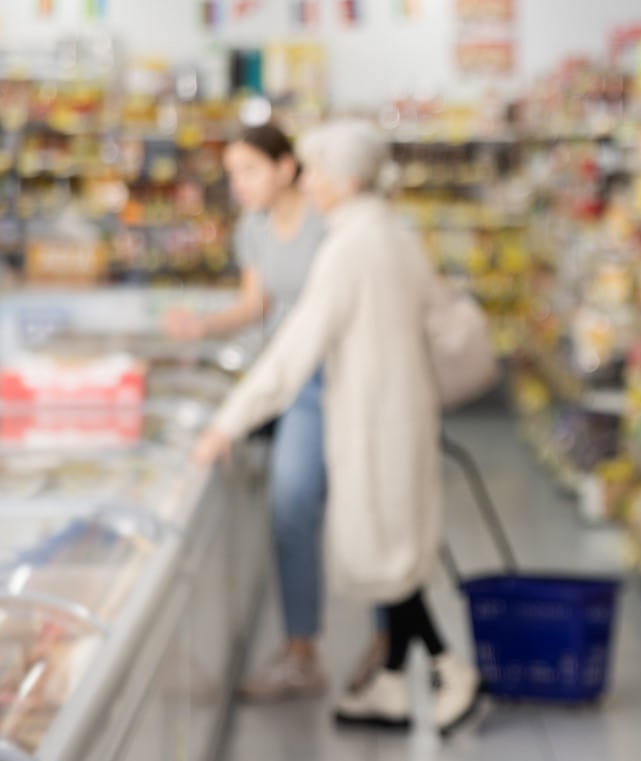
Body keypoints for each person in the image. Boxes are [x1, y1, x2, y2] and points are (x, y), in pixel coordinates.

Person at [191, 120, 480, 732]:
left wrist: (228, 423)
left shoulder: (350, 247)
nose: (310, 181)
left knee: (387, 554)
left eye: (318, 170)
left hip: (373, 419)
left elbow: (294, 349)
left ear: (347, 179)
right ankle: (396, 684)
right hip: (399, 411)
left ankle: (452, 670)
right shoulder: (390, 232)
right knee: (396, 548)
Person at [161, 124, 363, 702]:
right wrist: (201, 326)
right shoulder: (253, 229)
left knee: (363, 505)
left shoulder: (331, 223)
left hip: (346, 378)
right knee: (292, 507)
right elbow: (257, 305)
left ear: (287, 168)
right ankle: (302, 652)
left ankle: (389, 642)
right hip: (292, 384)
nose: (239, 184)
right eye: (232, 174)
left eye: (248, 170)